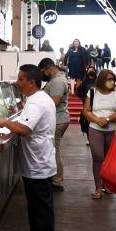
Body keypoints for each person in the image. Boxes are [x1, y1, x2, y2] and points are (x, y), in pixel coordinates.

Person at [0, 64, 57, 231]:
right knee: (34, 206)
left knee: (41, 207)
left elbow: (25, 129)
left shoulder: (37, 102)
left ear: (31, 82)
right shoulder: (34, 99)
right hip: (35, 161)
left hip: (39, 162)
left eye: (21, 79)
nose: (18, 83)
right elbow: (24, 125)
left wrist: (6, 123)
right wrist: (10, 131)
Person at [82, 69, 116, 199]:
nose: (111, 82)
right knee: (98, 157)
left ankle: (107, 185)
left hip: (112, 129)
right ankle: (98, 187)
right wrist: (98, 120)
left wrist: (108, 119)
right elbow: (86, 111)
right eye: (109, 79)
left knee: (109, 159)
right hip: (95, 128)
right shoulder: (92, 92)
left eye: (113, 79)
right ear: (102, 80)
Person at [38, 58, 70, 192]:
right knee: (53, 149)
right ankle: (55, 178)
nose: (43, 75)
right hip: (57, 119)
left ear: (49, 68)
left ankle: (57, 180)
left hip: (57, 119)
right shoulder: (57, 79)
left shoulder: (57, 81)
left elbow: (54, 102)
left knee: (54, 150)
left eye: (43, 72)